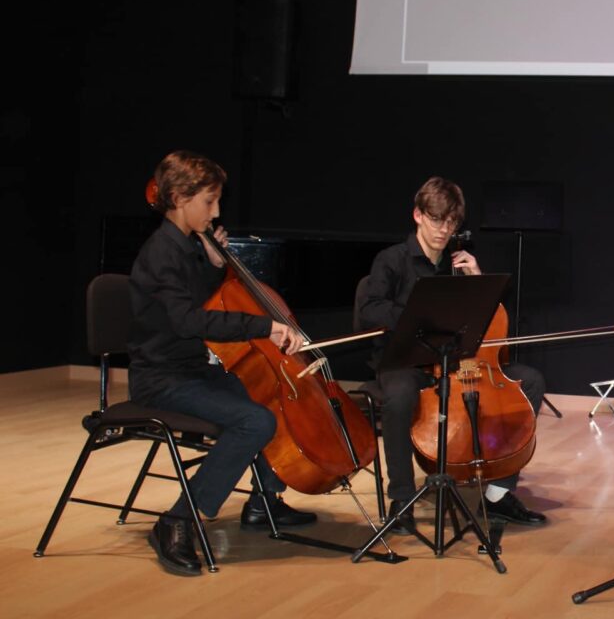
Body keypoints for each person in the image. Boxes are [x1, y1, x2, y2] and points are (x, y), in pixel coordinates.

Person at [128, 150, 317, 576]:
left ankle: (263, 501)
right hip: (161, 379)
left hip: (191, 370)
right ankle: (178, 520)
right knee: (255, 422)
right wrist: (262, 326)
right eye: (209, 201)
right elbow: (190, 321)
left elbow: (197, 301)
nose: (216, 212)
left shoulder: (188, 249)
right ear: (179, 198)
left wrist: (214, 267)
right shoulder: (161, 253)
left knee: (273, 401)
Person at [359, 176, 549, 534]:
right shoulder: (391, 260)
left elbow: (487, 325)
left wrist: (479, 284)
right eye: (436, 220)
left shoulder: (459, 264)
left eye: (451, 223)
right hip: (405, 361)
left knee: (531, 380)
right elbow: (370, 309)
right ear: (417, 215)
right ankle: (401, 499)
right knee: (398, 397)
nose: (443, 230)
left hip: (454, 362)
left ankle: (497, 494)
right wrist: (416, 314)